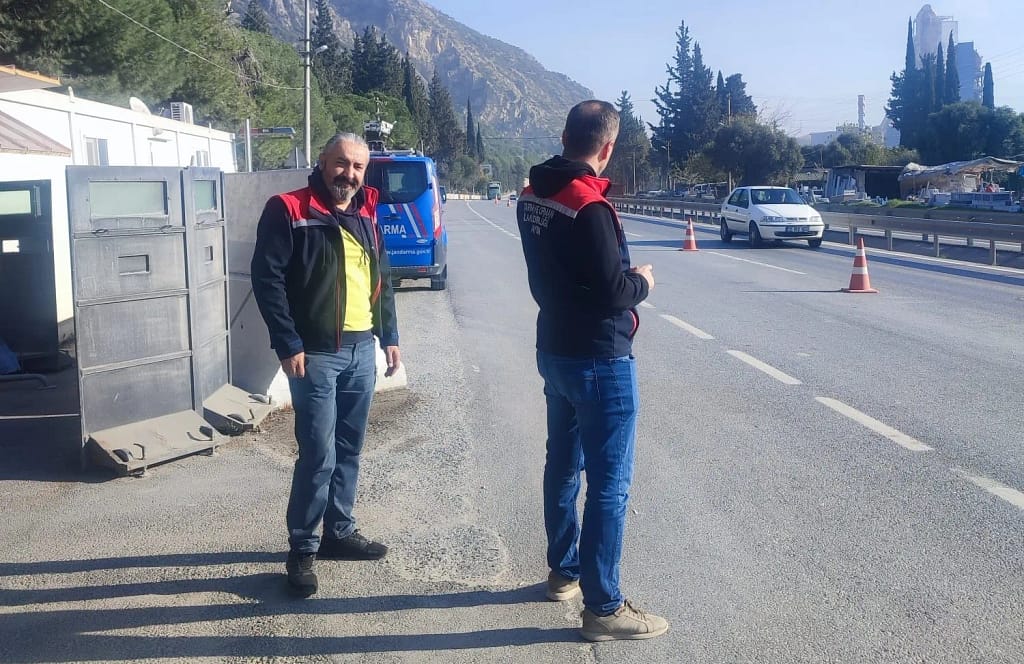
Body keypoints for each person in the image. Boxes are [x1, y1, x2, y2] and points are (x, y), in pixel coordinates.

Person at [516, 100, 668, 642]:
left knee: (562, 464)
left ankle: (564, 572)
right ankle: (604, 607)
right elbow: (612, 290)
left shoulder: (531, 195)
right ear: (607, 147)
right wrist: (643, 280)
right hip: (600, 359)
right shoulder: (589, 205)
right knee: (609, 485)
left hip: (555, 348)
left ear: (564, 137)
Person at [251, 133, 401, 597]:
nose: (348, 174)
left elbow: (381, 276)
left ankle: (339, 531)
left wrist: (390, 336)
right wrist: (287, 341)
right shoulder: (289, 209)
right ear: (322, 161)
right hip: (314, 354)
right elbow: (268, 279)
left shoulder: (367, 211)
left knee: (349, 448)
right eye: (341, 163)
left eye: (357, 167)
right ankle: (302, 546)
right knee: (318, 454)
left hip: (361, 351)